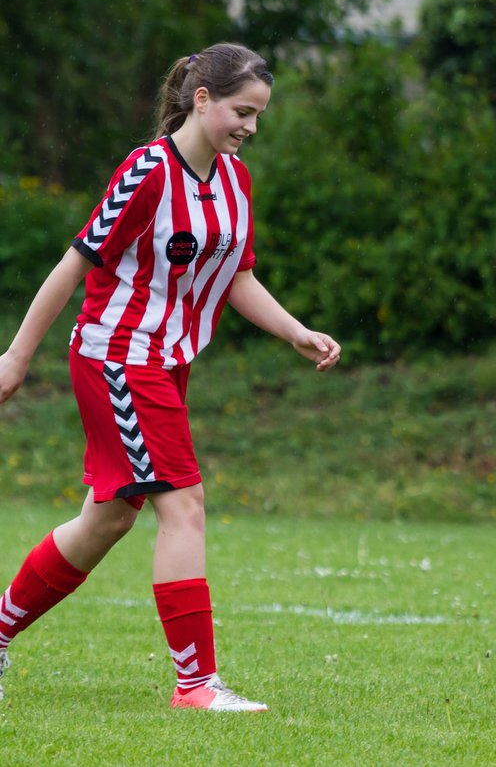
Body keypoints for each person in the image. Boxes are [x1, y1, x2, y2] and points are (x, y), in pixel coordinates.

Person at [0, 43, 341, 711]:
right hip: (120, 356)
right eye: (242, 111)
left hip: (165, 361)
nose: (250, 126)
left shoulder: (234, 180)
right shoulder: (146, 172)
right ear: (203, 99)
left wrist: (295, 329)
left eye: (260, 115)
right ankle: (196, 685)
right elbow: (74, 265)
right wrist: (15, 357)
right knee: (184, 505)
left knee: (106, 520)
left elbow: (237, 278)